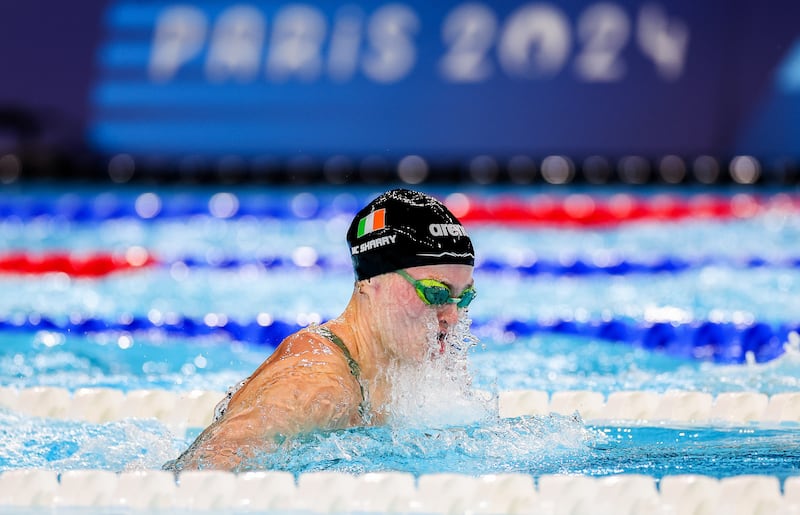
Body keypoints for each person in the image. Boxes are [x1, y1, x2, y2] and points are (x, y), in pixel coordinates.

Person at [164, 188, 477, 471]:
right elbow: (195, 482)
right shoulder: (316, 386)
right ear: (370, 281)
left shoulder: (426, 367)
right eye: (434, 293)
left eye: (464, 297)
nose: (452, 315)